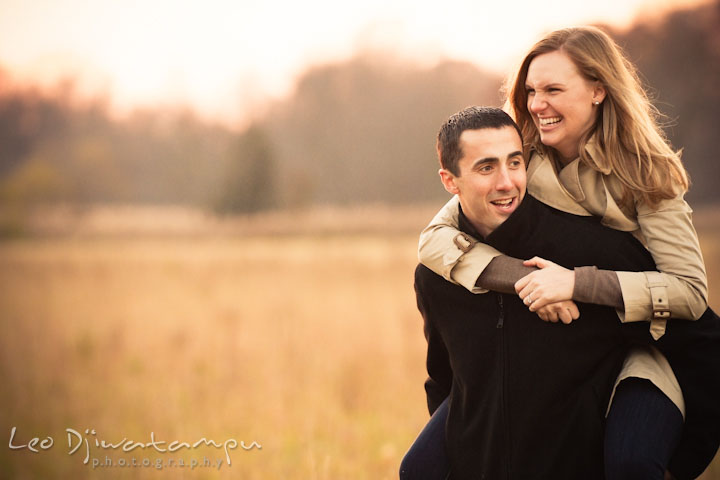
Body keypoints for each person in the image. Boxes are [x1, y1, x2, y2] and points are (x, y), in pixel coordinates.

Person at [412, 27, 719, 479]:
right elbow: (435, 239)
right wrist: (526, 279)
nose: (537, 104)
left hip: (634, 345)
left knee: (632, 463)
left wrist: (576, 283)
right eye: (532, 90)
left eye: (554, 89)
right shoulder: (521, 159)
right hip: (547, 349)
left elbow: (690, 292)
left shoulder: (648, 174)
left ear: (599, 90)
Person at [409, 105, 644, 479]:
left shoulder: (586, 252)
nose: (507, 182)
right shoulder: (436, 277)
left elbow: (690, 341)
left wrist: (677, 463)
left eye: (515, 163)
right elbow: (444, 379)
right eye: (486, 167)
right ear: (450, 181)